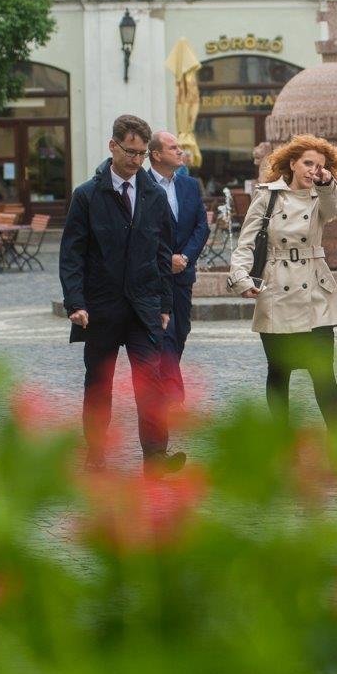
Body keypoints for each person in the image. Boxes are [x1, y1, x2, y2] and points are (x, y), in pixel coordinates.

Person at [59, 114, 185, 472]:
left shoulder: (153, 195)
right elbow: (72, 255)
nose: (136, 160)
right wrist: (76, 302)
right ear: (113, 146)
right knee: (99, 384)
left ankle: (156, 457)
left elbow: (163, 253)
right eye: (130, 152)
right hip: (99, 306)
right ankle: (96, 454)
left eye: (143, 154)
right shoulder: (87, 195)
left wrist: (164, 304)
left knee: (150, 382)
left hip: (143, 306)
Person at [228, 135, 337, 431]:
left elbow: (333, 210)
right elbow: (246, 243)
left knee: (323, 373)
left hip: (316, 293)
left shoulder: (322, 195)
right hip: (276, 290)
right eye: (308, 163)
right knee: (279, 371)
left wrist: (326, 182)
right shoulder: (267, 195)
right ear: (292, 163)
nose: (312, 170)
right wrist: (241, 278)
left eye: (319, 165)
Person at [147, 132, 209, 406]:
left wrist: (184, 257)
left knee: (181, 330)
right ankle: (171, 395)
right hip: (153, 275)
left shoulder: (190, 185)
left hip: (183, 273)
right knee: (165, 333)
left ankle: (162, 381)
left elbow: (201, 227)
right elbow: (140, 231)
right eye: (174, 148)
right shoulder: (140, 184)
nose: (180, 151)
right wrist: (164, 259)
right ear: (157, 154)